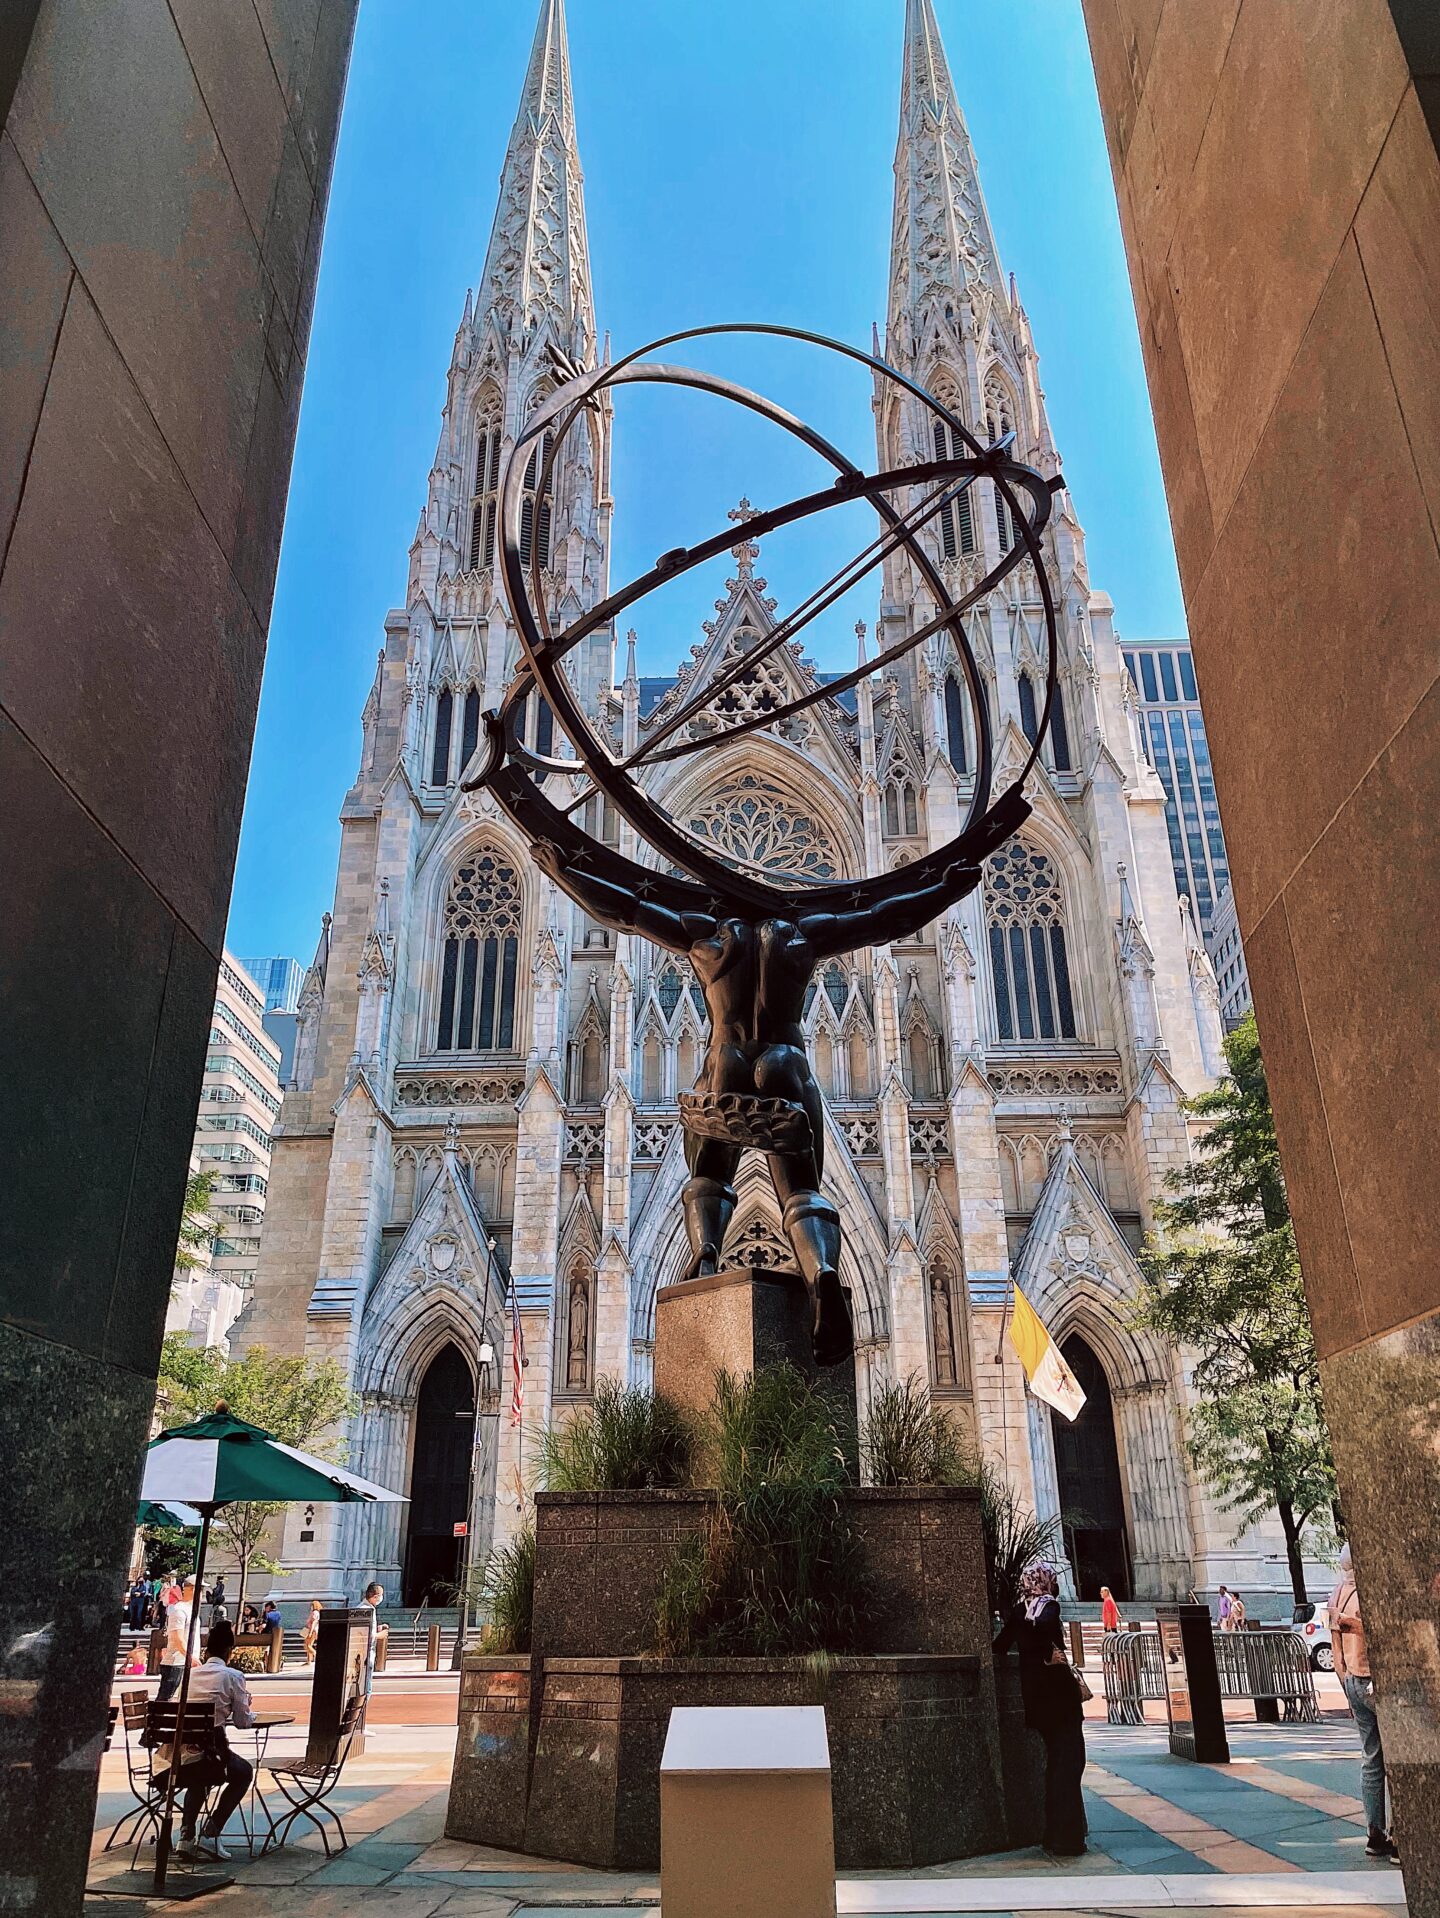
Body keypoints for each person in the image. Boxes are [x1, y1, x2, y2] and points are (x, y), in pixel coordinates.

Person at [993, 1562, 1087, 1856]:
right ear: (1046, 1583)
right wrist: (1046, 1648)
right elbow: (1047, 1624)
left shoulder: (1019, 1612)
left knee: (1057, 1765)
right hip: (1060, 1699)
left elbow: (1000, 1645)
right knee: (1070, 1765)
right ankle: (1067, 1839)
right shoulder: (1047, 1607)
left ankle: (1053, 1835)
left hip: (1037, 1701)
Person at [161, 1620, 255, 1863]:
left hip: (173, 1760)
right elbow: (244, 1722)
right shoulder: (233, 1677)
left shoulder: (189, 1676)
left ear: (206, 1651)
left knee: (199, 1771)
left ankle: (186, 1833)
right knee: (242, 1772)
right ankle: (211, 1831)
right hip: (210, 1755)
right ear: (229, 1652)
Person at [1331, 1544, 1397, 1860]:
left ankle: (1375, 1833)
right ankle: (1399, 1834)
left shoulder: (1338, 1593)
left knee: (1372, 1758)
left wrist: (1346, 1681)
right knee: (1401, 1756)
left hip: (1354, 1681)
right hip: (1377, 1681)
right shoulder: (1373, 1590)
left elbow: (1336, 1651)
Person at [157, 1574, 197, 1704]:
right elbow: (178, 1638)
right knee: (165, 1700)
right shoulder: (179, 1610)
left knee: (180, 1700)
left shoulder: (190, 1610)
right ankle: (153, 1724)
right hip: (176, 1663)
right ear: (190, 1589)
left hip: (185, 1662)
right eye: (199, 1589)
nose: (201, 1594)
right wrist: (190, 1657)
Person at [358, 1581, 384, 1696]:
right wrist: (379, 1635)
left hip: (366, 1653)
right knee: (365, 1689)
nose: (381, 1598)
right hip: (365, 1653)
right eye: (381, 1595)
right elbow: (362, 1634)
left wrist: (377, 1629)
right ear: (375, 1596)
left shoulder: (367, 1608)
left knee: (365, 1687)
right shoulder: (365, 1610)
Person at [302, 1598, 322, 1665]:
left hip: (312, 1630)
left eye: (312, 1605)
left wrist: (310, 1632)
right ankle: (309, 1660)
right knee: (307, 1644)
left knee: (308, 1645)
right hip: (312, 1630)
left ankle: (315, 1654)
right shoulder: (317, 1613)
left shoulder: (314, 1613)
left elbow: (314, 1622)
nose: (311, 1607)